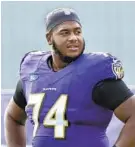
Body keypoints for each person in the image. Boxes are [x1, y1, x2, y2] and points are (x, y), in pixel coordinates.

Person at [4, 8, 135, 147]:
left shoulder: (94, 72)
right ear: (49, 38)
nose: (74, 38)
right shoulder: (33, 71)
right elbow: (13, 117)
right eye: (65, 33)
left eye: (77, 32)